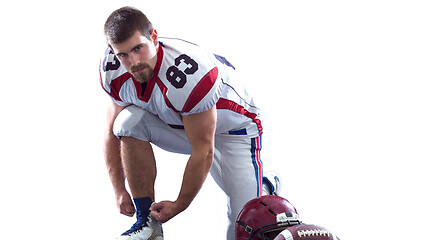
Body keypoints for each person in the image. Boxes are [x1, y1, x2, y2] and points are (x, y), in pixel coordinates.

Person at [100, 6, 267, 240]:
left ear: (154, 37)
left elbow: (203, 150)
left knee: (245, 223)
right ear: (112, 51)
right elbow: (110, 133)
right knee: (127, 122)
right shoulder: (112, 69)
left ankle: (264, 187)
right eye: (123, 54)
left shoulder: (191, 74)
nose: (134, 61)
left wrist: (179, 204)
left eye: (138, 48)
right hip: (181, 124)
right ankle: (146, 222)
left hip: (234, 130)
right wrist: (119, 189)